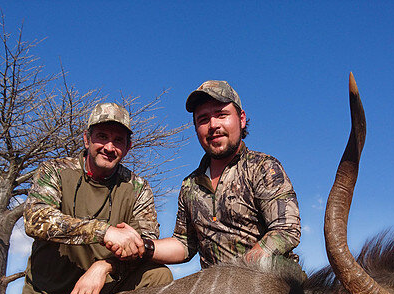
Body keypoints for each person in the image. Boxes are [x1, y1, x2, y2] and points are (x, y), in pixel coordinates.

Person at [20, 102, 172, 294]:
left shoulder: (138, 187)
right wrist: (103, 232)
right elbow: (35, 218)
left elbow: (143, 244)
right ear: (86, 139)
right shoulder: (54, 170)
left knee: (159, 275)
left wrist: (104, 266)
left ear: (128, 147)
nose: (109, 147)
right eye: (102, 136)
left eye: (118, 140)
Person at [118, 80, 301, 268]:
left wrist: (242, 270)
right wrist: (144, 247)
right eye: (203, 119)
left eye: (221, 115)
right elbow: (184, 244)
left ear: (241, 118)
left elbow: (286, 229)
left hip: (268, 284)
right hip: (214, 290)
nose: (213, 125)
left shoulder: (263, 167)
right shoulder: (190, 185)